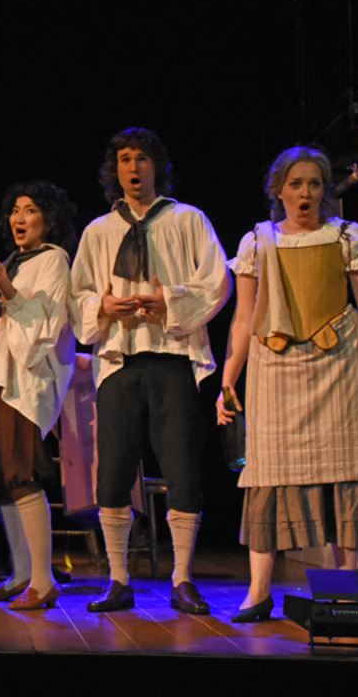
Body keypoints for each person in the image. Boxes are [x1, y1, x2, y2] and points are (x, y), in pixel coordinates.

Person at [216, 146, 358, 622]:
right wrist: (229, 377)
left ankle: (348, 583)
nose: (305, 192)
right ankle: (258, 590)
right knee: (267, 474)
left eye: (313, 183)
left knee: (344, 470)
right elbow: (244, 317)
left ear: (324, 190)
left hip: (342, 366)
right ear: (278, 191)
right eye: (295, 184)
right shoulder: (258, 241)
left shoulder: (348, 237)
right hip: (276, 368)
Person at [71, 128, 231, 615]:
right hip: (120, 359)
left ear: (156, 166)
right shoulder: (100, 231)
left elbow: (217, 279)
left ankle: (182, 577)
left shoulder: (187, 219)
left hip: (173, 356)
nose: (133, 167)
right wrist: (105, 305)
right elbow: (77, 294)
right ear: (113, 169)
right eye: (124, 159)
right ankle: (118, 578)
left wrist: (169, 299)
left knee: (182, 466)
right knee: (115, 470)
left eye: (141, 158)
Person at [0, 181, 77, 611]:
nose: (19, 218)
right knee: (3, 480)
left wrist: (7, 289)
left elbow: (45, 328)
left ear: (48, 219)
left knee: (23, 474)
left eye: (29, 210)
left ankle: (44, 581)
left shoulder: (53, 260)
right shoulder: (13, 259)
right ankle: (22, 574)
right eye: (14, 210)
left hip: (24, 384)